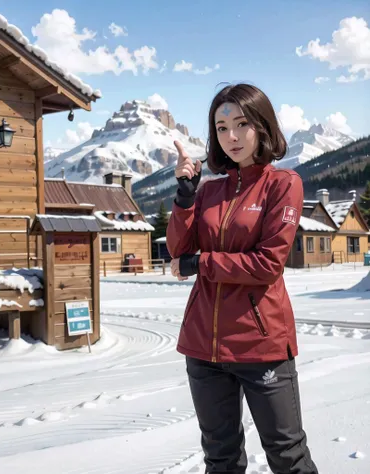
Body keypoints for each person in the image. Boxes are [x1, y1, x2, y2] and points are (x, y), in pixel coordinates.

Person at [166, 83, 318, 474]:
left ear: (262, 126)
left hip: (261, 345)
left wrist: (202, 264)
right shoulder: (209, 191)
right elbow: (178, 251)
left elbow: (268, 263)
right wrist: (184, 197)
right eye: (220, 127)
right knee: (220, 459)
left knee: (287, 455)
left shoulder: (284, 185)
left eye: (241, 124)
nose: (230, 136)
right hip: (203, 348)